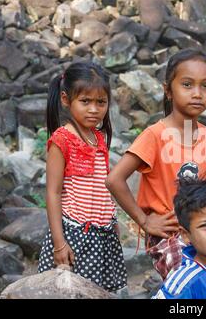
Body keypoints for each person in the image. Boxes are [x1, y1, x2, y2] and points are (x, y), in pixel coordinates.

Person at [106, 48, 206, 280]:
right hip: (168, 232)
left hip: (201, 228)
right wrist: (144, 221)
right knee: (187, 279)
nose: (197, 93)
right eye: (187, 85)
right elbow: (114, 179)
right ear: (168, 91)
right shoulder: (155, 135)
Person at [38, 61, 127, 292]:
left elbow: (101, 185)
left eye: (101, 102)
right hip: (74, 235)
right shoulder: (62, 139)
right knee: (67, 292)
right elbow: (53, 191)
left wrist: (112, 221)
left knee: (94, 292)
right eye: (85, 101)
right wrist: (59, 243)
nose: (94, 109)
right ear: (66, 100)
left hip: (101, 235)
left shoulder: (98, 138)